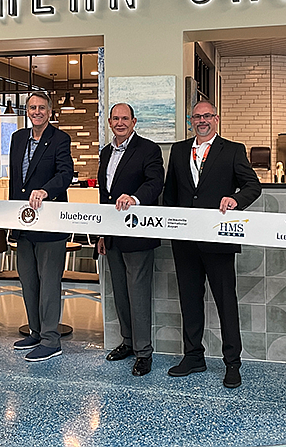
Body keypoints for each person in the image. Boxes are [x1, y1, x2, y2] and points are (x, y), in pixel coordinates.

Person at [162, 100, 261, 386]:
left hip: (218, 239)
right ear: (190, 120)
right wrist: (172, 228)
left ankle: (233, 363)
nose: (202, 120)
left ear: (216, 119)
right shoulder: (179, 150)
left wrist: (236, 200)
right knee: (189, 301)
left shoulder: (232, 150)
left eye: (207, 116)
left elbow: (253, 185)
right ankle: (193, 356)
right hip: (185, 240)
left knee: (225, 302)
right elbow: (171, 194)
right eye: (197, 116)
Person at [96, 103, 164, 376]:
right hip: (112, 235)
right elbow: (105, 195)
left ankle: (144, 353)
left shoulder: (148, 149)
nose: (120, 122)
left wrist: (134, 198)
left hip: (138, 233)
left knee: (138, 294)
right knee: (121, 294)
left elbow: (155, 182)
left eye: (126, 118)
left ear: (134, 121)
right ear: (110, 122)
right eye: (116, 118)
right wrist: (101, 233)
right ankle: (127, 342)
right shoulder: (105, 152)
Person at [8, 92, 73, 362]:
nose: (37, 112)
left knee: (48, 285)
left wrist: (45, 191)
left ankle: (50, 339)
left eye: (42, 108)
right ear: (27, 110)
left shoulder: (60, 139)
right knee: (29, 281)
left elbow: (65, 174)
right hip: (22, 223)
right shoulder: (17, 138)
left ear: (50, 110)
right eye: (32, 107)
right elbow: (15, 180)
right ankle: (35, 330)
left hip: (49, 223)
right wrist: (11, 219)